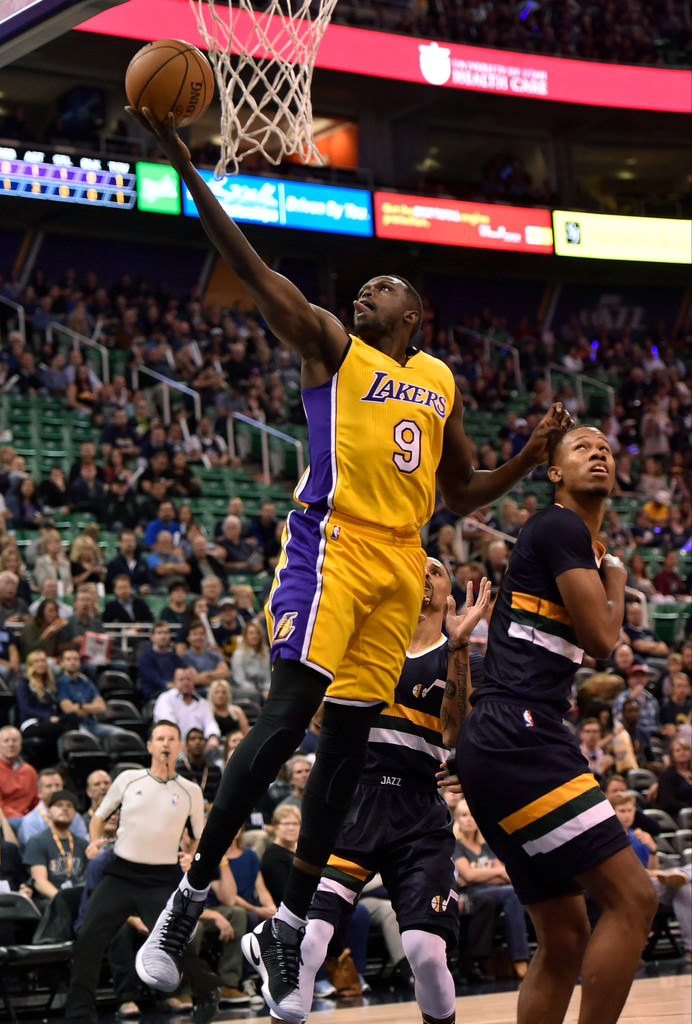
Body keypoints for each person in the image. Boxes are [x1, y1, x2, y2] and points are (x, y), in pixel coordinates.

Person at [131, 104, 570, 1023]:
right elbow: (252, 266)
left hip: (403, 564)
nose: (366, 290)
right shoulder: (333, 344)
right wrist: (178, 156)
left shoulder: (441, 380)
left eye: (383, 285)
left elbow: (458, 492)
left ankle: (290, 925)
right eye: (362, 285)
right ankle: (187, 900)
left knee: (342, 745)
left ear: (418, 313)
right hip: (331, 545)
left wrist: (529, 458)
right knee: (289, 719)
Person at [458, 425, 657, 1024]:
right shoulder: (559, 526)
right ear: (553, 472)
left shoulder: (574, 544)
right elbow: (601, 639)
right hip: (519, 732)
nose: (597, 453)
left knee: (567, 935)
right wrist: (619, 580)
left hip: (500, 738)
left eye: (606, 449)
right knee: (635, 898)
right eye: (581, 448)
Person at [298, 560, 490, 1022]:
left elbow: (454, 735)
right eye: (417, 566)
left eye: (437, 569)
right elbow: (320, 722)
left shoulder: (465, 656)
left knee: (424, 951)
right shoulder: (367, 643)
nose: (424, 573)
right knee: (307, 942)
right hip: (355, 802)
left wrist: (460, 646)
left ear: (449, 593)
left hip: (418, 809)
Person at [63, 720, 219, 1024]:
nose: (165, 744)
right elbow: (98, 817)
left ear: (179, 747)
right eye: (159, 738)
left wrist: (191, 857)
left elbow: (199, 835)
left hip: (161, 881)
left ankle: (208, 990)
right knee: (88, 939)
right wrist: (95, 841)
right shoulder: (128, 779)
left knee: (176, 946)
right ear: (149, 746)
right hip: (120, 876)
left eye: (171, 739)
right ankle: (79, 1013)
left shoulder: (189, 791)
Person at [453, 800, 530, 979]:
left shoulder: (486, 846)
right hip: (472, 894)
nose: (469, 819)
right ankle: (520, 960)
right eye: (464, 815)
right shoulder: (456, 845)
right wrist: (496, 872)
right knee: (512, 893)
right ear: (457, 820)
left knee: (513, 893)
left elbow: (506, 875)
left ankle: (520, 958)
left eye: (472, 815)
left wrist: (482, 875)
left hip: (493, 890)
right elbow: (468, 875)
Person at [153, 666, 221, 758]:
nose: (185, 682)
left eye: (189, 679)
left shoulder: (203, 703)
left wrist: (213, 737)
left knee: (219, 753)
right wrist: (181, 743)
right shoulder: (165, 699)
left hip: (198, 746)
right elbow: (168, 725)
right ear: (174, 682)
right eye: (181, 680)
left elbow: (210, 723)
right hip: (173, 745)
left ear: (194, 681)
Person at [0, 724, 38, 829]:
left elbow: (36, 801)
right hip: (5, 819)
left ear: (20, 744)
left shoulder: (30, 771)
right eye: (6, 741)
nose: (11, 744)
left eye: (14, 740)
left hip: (28, 819)